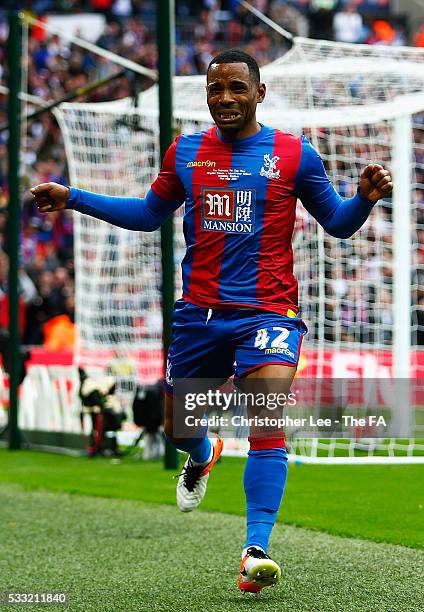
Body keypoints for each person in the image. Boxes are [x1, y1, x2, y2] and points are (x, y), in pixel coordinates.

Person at [31, 49, 393, 594]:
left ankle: (255, 551)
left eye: (237, 88)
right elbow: (148, 215)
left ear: (259, 94)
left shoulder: (294, 155)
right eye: (215, 88)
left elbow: (338, 224)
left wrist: (362, 200)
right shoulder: (187, 152)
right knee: (181, 428)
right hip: (198, 316)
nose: (225, 98)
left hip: (268, 314)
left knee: (267, 420)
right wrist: (73, 197)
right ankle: (202, 453)